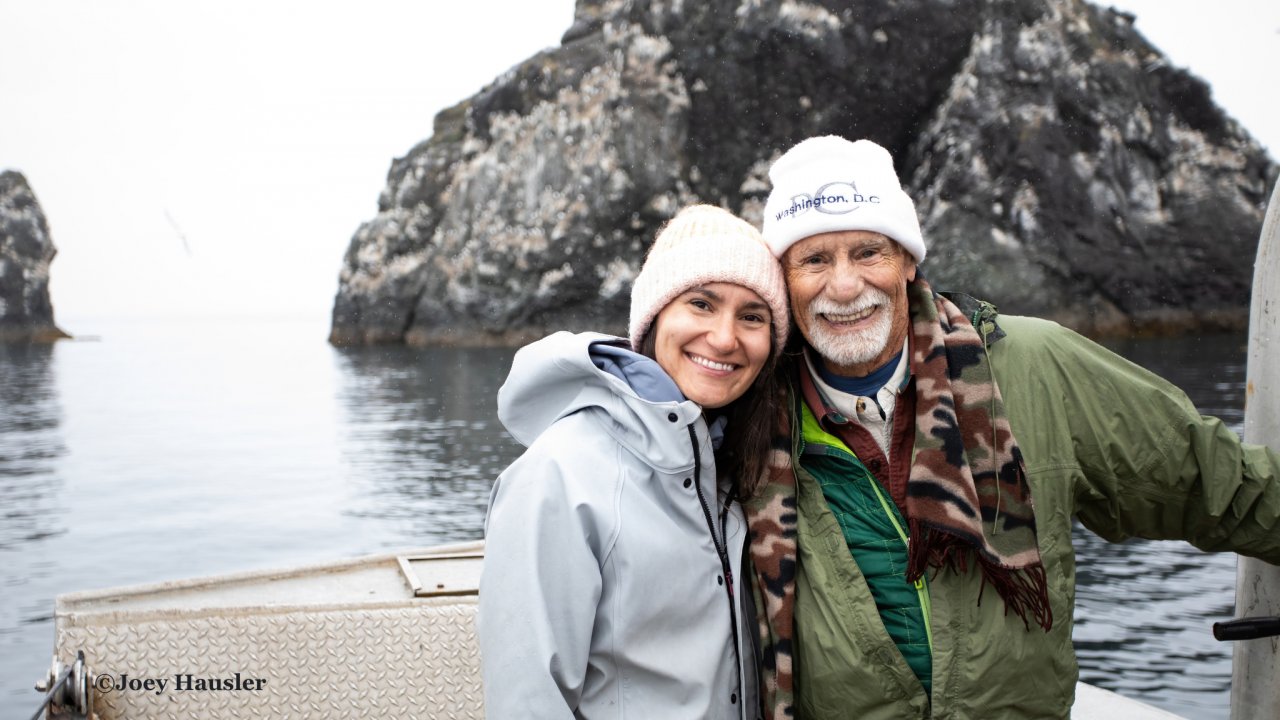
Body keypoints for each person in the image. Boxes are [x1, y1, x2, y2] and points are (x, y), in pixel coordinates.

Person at [744, 135, 1280, 719]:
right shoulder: (749, 420)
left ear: (908, 261)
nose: (845, 286)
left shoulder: (1036, 364)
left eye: (869, 252)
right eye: (814, 260)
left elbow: (1219, 487)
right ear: (784, 280)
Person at [479, 204, 787, 719]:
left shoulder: (738, 465)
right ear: (654, 316)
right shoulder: (558, 475)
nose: (725, 337)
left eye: (752, 316)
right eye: (701, 304)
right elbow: (526, 700)